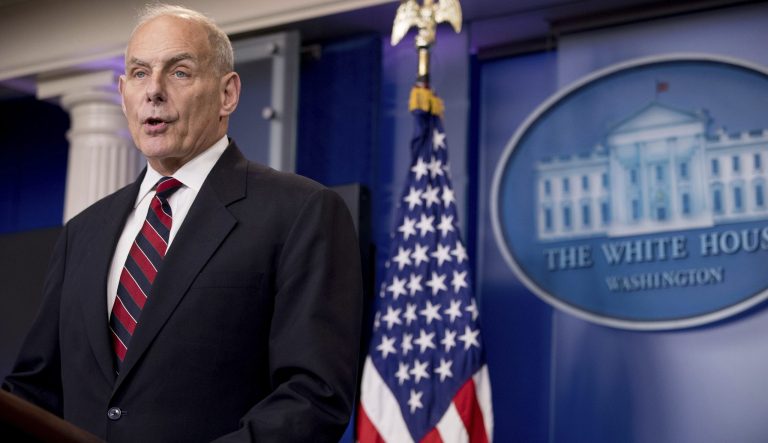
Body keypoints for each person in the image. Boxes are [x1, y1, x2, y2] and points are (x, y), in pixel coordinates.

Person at [2, 4, 363, 442]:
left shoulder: (301, 212)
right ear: (122, 93)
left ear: (227, 94)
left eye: (179, 72)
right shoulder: (83, 232)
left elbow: (313, 397)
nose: (153, 91)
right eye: (138, 73)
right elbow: (34, 391)